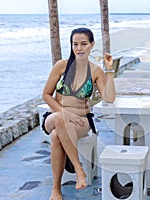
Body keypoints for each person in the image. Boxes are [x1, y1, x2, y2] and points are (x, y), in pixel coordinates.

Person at [42, 27, 115, 200]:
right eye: (75, 44)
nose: (79, 48)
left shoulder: (96, 71)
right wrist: (66, 114)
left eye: (83, 44)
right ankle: (78, 169)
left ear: (92, 45)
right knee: (60, 119)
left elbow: (109, 98)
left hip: (82, 121)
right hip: (55, 116)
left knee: (55, 138)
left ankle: (56, 190)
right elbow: (46, 95)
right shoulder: (61, 66)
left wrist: (109, 69)